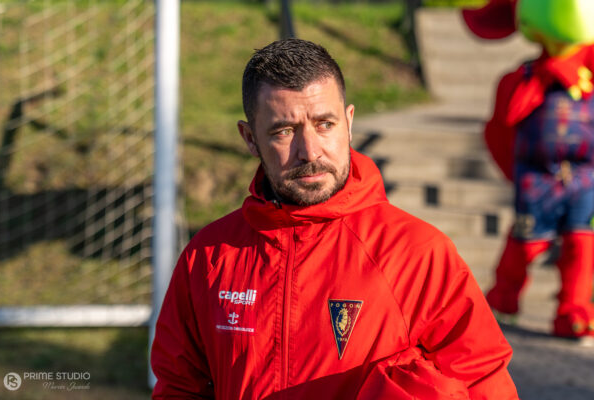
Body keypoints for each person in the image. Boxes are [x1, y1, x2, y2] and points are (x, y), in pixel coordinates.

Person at [151, 38, 519, 399]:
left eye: (325, 124)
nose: (310, 151)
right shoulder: (208, 257)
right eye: (284, 131)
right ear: (250, 138)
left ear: (349, 121)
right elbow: (178, 387)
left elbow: (483, 381)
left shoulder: (418, 254)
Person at [462, 0, 594, 338]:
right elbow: (503, 124)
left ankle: (574, 311)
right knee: (526, 242)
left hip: (584, 178)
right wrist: (514, 170)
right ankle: (503, 300)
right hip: (537, 178)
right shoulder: (524, 78)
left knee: (582, 245)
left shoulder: (589, 73)